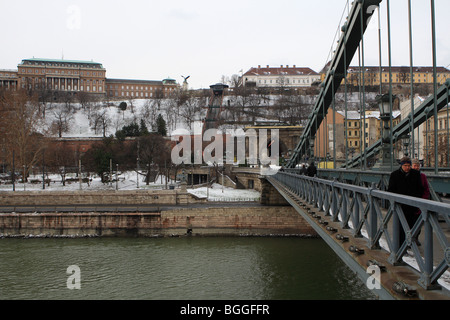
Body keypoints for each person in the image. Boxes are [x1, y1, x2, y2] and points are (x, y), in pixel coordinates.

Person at [387, 156, 424, 247]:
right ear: (401, 165)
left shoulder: (416, 174)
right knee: (401, 227)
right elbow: (391, 190)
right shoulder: (394, 175)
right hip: (400, 206)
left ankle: (409, 245)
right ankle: (401, 246)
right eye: (405, 165)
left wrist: (417, 200)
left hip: (412, 206)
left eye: (409, 165)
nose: (407, 167)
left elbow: (420, 189)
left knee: (412, 226)